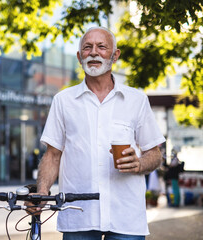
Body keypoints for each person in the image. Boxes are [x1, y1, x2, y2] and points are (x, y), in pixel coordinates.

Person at [31, 27, 166, 239]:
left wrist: (139, 163)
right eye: (87, 47)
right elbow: (52, 155)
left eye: (101, 47)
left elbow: (155, 153)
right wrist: (42, 192)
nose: (94, 52)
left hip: (126, 217)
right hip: (78, 215)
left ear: (115, 55)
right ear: (79, 56)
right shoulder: (63, 101)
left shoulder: (137, 100)